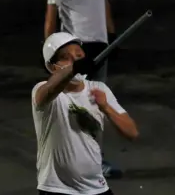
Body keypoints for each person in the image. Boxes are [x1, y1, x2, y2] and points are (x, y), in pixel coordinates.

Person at [43, 0, 120, 177]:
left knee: (97, 106)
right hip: (77, 49)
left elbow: (104, 1)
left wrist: (112, 36)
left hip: (100, 46)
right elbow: (51, 16)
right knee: (77, 106)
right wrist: (51, 54)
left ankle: (94, 160)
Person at [32, 32, 139, 195]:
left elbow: (132, 132)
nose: (74, 60)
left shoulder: (99, 89)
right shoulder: (45, 92)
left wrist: (106, 108)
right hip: (57, 189)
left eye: (79, 56)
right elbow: (46, 92)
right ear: (52, 67)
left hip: (97, 187)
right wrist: (73, 69)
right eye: (65, 57)